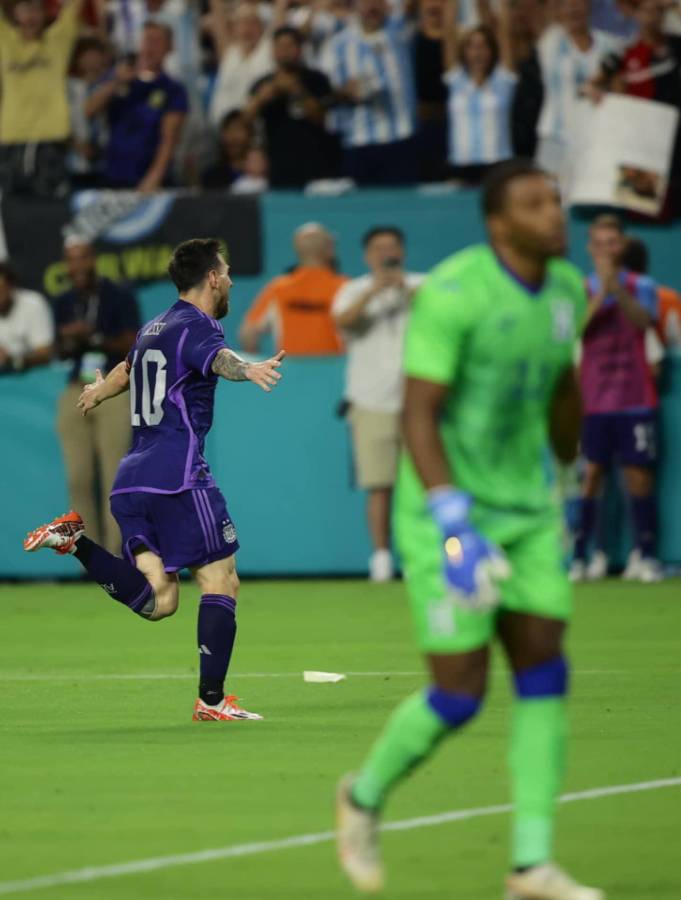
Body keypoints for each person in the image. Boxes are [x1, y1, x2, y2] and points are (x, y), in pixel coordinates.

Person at [335, 160, 603, 900]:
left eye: (555, 200)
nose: (554, 214)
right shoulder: (454, 292)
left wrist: (569, 470)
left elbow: (562, 386)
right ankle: (362, 797)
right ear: (498, 225)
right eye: (534, 204)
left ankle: (530, 865)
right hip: (445, 508)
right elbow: (418, 412)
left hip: (529, 511)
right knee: (460, 692)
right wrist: (453, 519)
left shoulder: (567, 288)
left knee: (544, 668)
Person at [25, 238, 285, 723]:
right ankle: (212, 702)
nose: (230, 280)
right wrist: (248, 369)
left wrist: (99, 392)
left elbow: (126, 369)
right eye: (226, 272)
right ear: (212, 278)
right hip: (177, 476)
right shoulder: (198, 325)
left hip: (131, 481)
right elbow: (219, 359)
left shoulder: (154, 326)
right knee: (221, 579)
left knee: (159, 600)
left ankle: (75, 542)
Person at [571, 215, 661, 583]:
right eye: (600, 243)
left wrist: (617, 290)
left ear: (622, 246)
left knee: (639, 477)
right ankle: (584, 557)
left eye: (613, 242)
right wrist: (601, 293)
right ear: (590, 247)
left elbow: (643, 322)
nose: (607, 249)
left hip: (635, 398)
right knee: (590, 476)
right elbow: (576, 330)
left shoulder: (643, 285)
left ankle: (645, 556)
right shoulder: (578, 288)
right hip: (593, 401)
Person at [332, 227, 423, 582]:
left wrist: (401, 288)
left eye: (392, 247)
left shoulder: (423, 284)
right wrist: (374, 290)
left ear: (403, 251)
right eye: (378, 248)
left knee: (424, 485)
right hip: (371, 400)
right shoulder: (352, 290)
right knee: (379, 484)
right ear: (367, 255)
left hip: (419, 402)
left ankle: (420, 555)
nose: (386, 253)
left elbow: (441, 312)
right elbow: (343, 321)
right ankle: (382, 559)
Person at [53, 239, 141, 554]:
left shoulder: (118, 295)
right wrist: (68, 340)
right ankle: (89, 554)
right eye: (71, 260)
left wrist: (91, 337)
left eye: (82, 258)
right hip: (77, 387)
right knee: (78, 477)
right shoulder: (63, 301)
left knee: (114, 475)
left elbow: (133, 343)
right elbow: (59, 349)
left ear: (93, 259)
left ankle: (116, 553)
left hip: (112, 388)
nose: (76, 266)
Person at [322, 0, 418, 185]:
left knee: (402, 199)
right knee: (362, 201)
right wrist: (345, 91)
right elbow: (326, 91)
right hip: (358, 139)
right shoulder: (339, 44)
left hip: (400, 136)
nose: (372, 7)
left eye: (377, 2)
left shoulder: (400, 32)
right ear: (356, 7)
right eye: (366, 2)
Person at [85, 22, 188, 191]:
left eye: (157, 41)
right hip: (114, 176)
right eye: (147, 40)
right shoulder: (118, 78)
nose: (150, 47)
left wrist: (154, 177)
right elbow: (89, 110)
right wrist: (116, 82)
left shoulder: (173, 89)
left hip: (149, 181)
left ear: (169, 48)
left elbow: (169, 138)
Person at [0, 0, 85, 197]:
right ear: (15, 14)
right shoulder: (5, 41)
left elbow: (75, 7)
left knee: (50, 206)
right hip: (11, 137)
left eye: (36, 9)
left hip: (51, 138)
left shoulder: (58, 41)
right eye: (25, 9)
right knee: (10, 204)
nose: (31, 16)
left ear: (45, 14)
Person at [534, 0, 619, 185]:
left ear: (589, 6)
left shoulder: (610, 44)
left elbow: (619, 91)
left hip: (595, 138)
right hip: (555, 136)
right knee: (550, 194)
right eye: (566, 3)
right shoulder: (550, 40)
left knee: (590, 194)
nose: (573, 8)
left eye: (578, 3)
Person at [244, 26, 338, 188]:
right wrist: (259, 100)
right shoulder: (262, 84)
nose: (284, 51)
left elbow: (322, 119)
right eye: (279, 46)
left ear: (300, 49)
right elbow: (245, 122)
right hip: (279, 168)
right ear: (273, 51)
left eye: (290, 45)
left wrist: (297, 91)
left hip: (316, 166)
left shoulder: (317, 79)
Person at [240, 223, 346, 355]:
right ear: (330, 249)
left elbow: (248, 334)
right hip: (335, 364)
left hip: (289, 366)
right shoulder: (344, 286)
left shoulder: (278, 287)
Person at [443, 0, 517, 183]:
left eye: (483, 46)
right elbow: (449, 29)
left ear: (491, 51)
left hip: (497, 163)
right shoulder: (456, 80)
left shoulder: (503, 81)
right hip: (461, 164)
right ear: (464, 51)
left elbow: (504, 31)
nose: (478, 51)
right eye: (471, 46)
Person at [208, 2, 273, 127]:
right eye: (242, 23)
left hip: (256, 126)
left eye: (252, 23)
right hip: (223, 127)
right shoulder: (228, 52)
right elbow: (217, 13)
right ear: (234, 28)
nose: (247, 28)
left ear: (261, 27)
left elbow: (280, 21)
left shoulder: (268, 50)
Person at [0, 262, 54, 375]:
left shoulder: (33, 303)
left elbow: (45, 354)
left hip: (35, 375)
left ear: (11, 286)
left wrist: (12, 360)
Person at [200, 110, 256, 190]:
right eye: (228, 129)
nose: (233, 137)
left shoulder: (261, 173)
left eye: (238, 129)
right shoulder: (211, 176)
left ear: (250, 134)